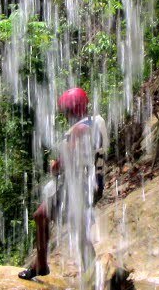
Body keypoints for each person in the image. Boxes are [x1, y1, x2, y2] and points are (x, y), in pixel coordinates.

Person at [19, 87, 108, 280]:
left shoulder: (78, 129)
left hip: (76, 187)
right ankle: (94, 275)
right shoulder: (96, 122)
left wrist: (55, 166)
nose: (65, 116)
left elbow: (65, 161)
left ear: (73, 110)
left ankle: (41, 265)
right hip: (93, 186)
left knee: (40, 215)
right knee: (79, 230)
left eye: (66, 111)